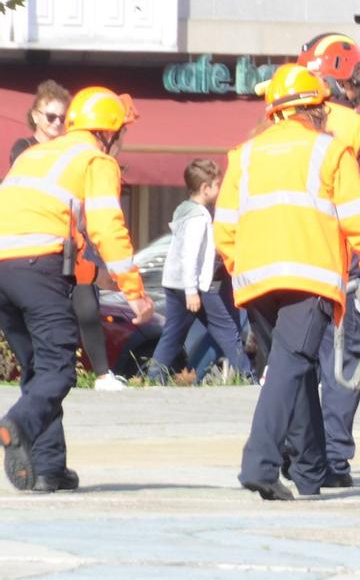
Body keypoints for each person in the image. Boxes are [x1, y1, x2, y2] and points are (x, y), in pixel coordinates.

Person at [217, 65, 360, 499]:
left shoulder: (243, 155)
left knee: (292, 369)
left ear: (276, 112)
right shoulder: (331, 152)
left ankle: (309, 472)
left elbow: (224, 227)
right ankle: (259, 463)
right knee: (290, 367)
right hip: (309, 276)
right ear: (316, 110)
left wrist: (238, 266)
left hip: (254, 280)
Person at [0, 87, 155, 493]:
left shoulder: (34, 154)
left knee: (38, 366)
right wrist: (134, 291)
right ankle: (17, 424)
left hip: (3, 269)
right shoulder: (94, 159)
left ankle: (50, 468)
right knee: (60, 367)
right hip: (39, 266)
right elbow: (107, 225)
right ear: (108, 133)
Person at [286, 32, 360, 484]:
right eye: (355, 77)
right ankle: (333, 458)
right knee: (343, 359)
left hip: (289, 259)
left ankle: (295, 450)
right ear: (337, 78)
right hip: (342, 264)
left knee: (295, 360)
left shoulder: (279, 125)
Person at [151, 158, 255, 381]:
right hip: (198, 286)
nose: (220, 190)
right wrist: (191, 290)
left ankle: (153, 376)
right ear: (205, 188)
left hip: (174, 283)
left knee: (173, 335)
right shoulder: (199, 217)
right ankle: (247, 376)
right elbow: (191, 254)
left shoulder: (183, 212)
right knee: (226, 330)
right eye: (217, 185)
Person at [8, 81, 69, 169]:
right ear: (35, 116)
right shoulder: (23, 146)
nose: (58, 122)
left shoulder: (68, 148)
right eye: (51, 117)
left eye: (62, 118)